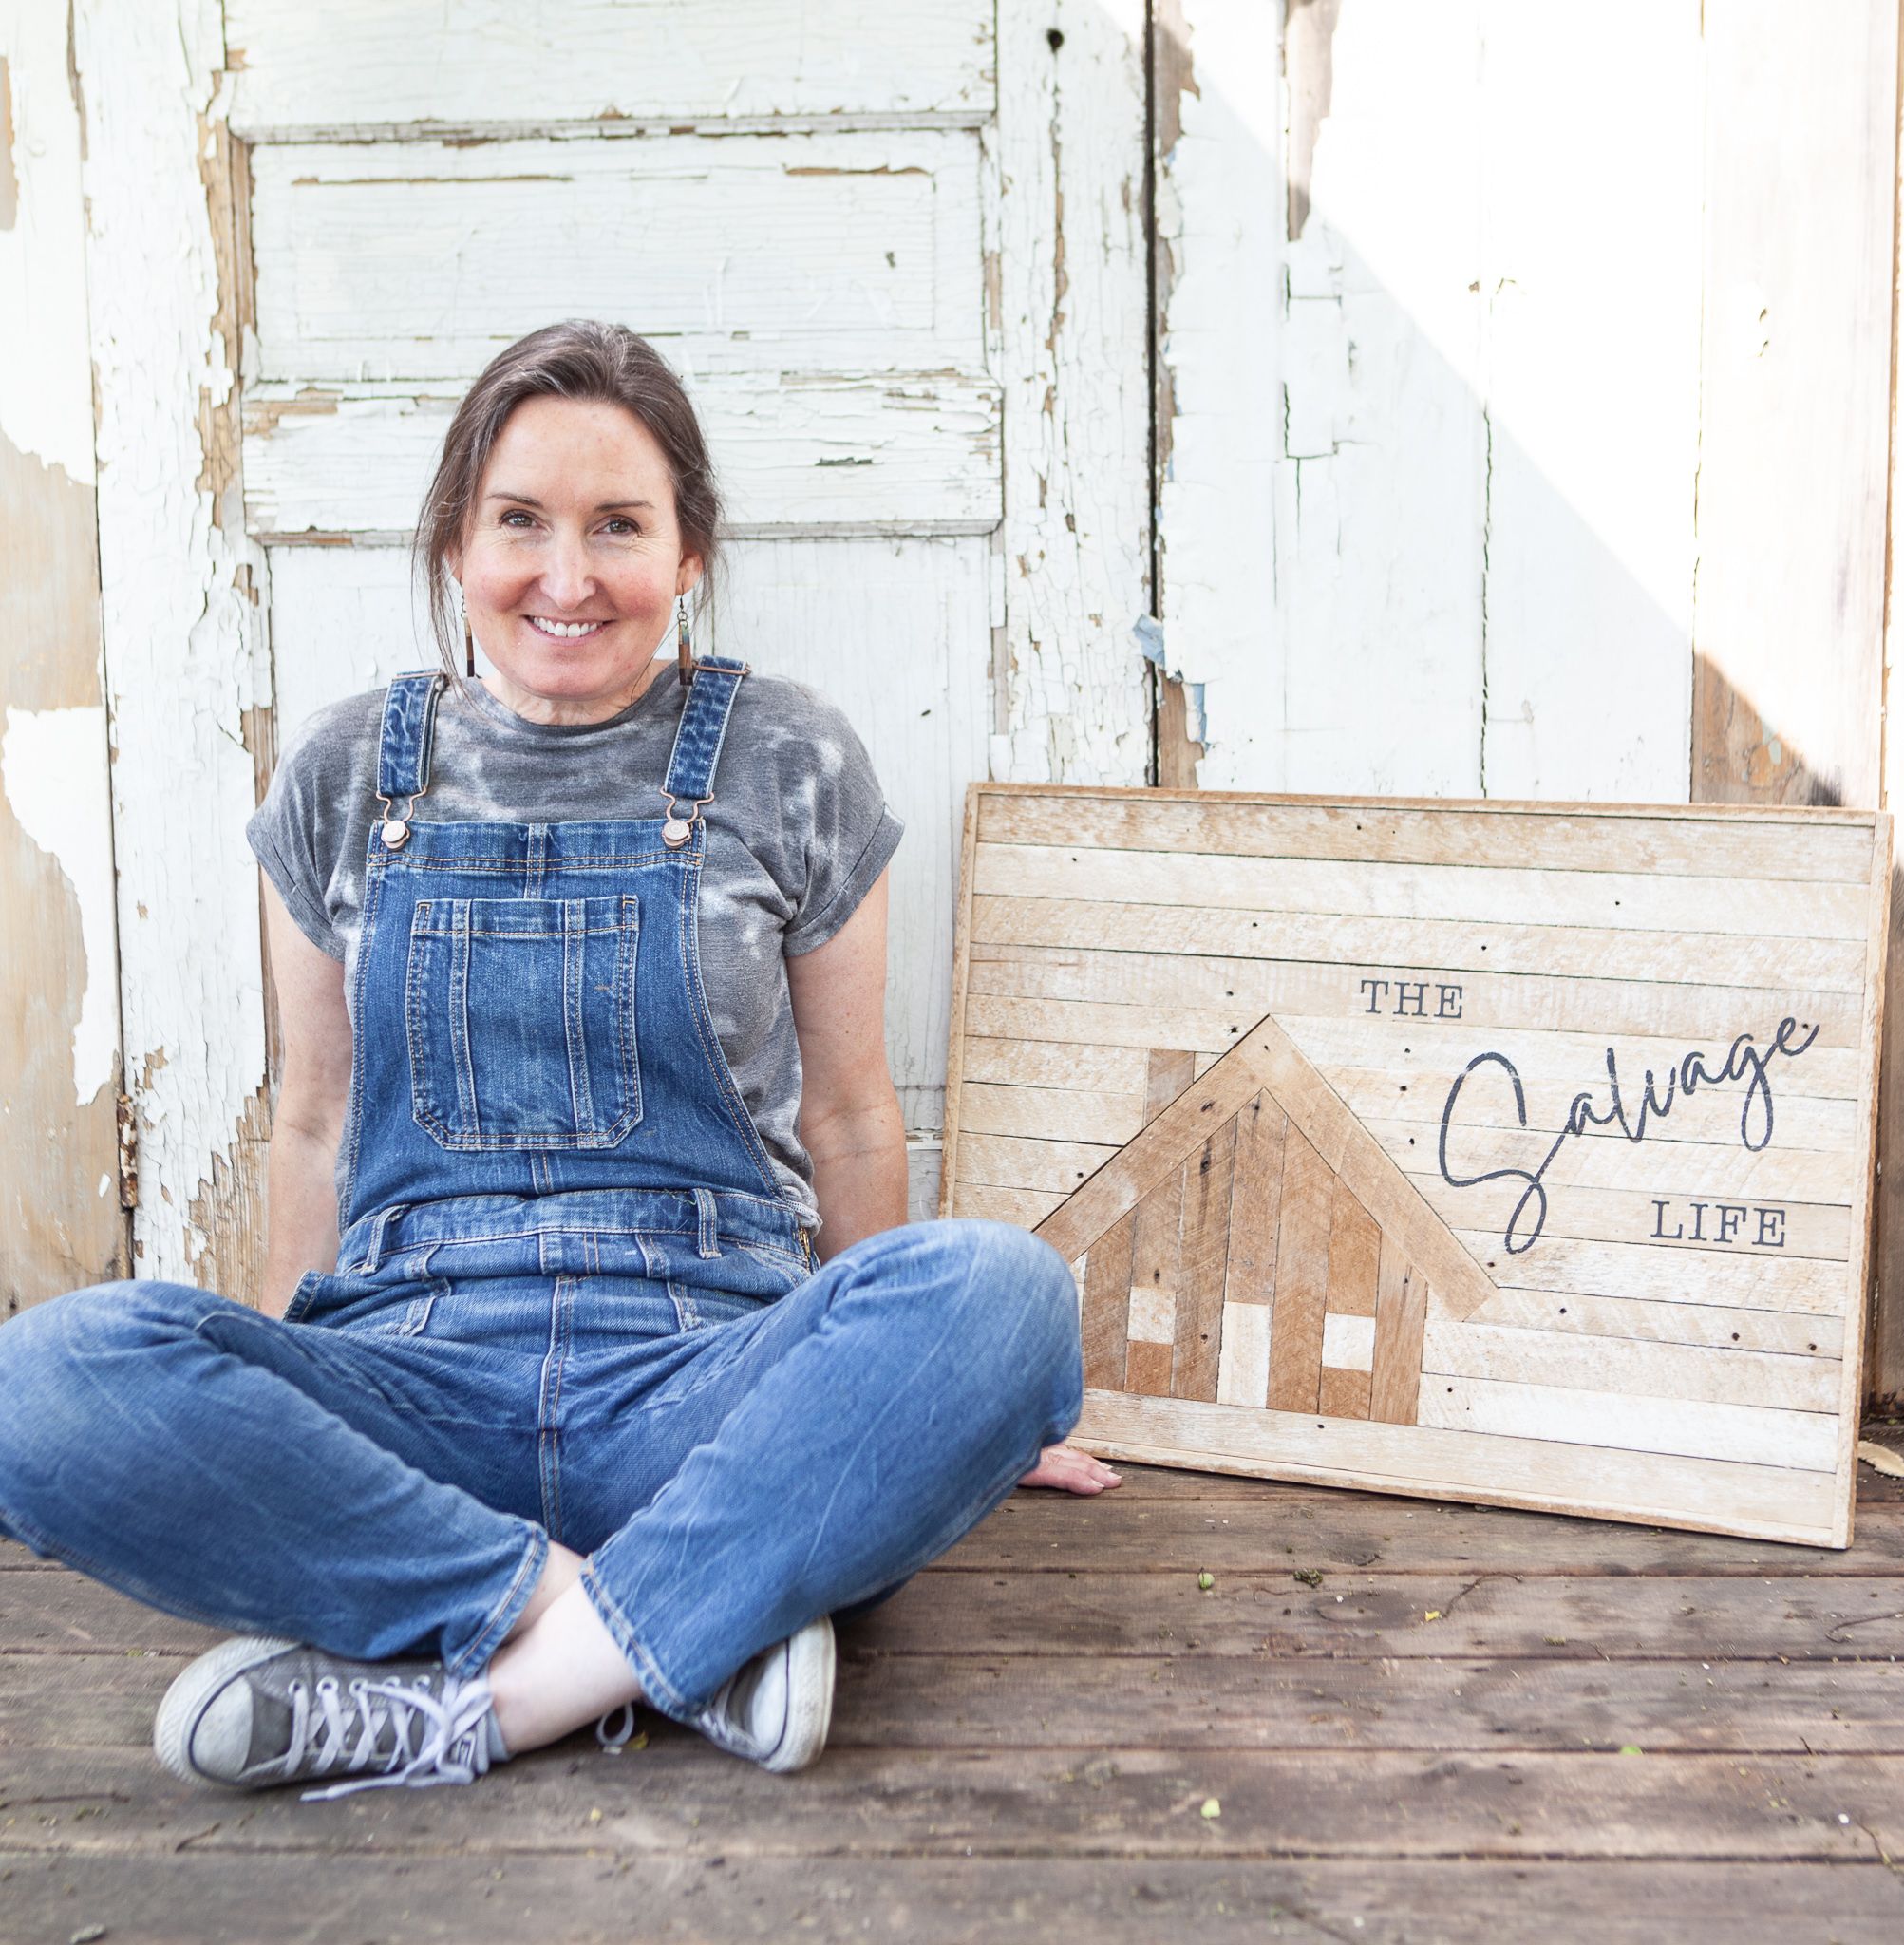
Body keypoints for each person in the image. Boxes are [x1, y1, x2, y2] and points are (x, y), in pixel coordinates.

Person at [0, 318, 1118, 1800]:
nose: (568, 577)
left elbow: (852, 1118)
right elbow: (315, 1125)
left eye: (619, 527)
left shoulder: (791, 759)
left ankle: (466, 1708)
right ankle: (658, 1629)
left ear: (689, 552)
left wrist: (916, 1406)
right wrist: (282, 1403)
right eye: (519, 522)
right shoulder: (343, 774)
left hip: (702, 1375)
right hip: (414, 1387)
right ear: (457, 543)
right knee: (39, 1384)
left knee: (1007, 1299)